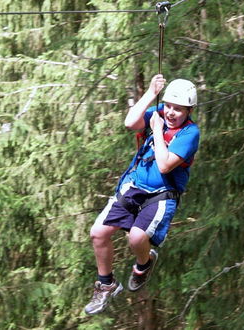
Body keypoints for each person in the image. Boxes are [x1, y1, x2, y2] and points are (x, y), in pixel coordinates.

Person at [84, 74, 200, 315]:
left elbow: (166, 165)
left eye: (178, 109)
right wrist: (150, 93)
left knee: (136, 238)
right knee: (98, 233)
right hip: (134, 185)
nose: (170, 112)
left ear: (188, 111)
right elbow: (130, 123)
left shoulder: (190, 134)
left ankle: (143, 265)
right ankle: (106, 285)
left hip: (162, 194)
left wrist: (157, 130)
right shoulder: (159, 112)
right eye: (168, 106)